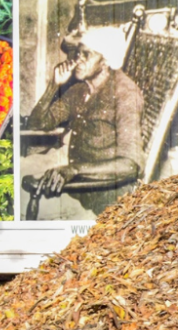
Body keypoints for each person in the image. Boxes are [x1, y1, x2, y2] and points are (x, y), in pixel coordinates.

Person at [25, 27, 143, 215]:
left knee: (23, 200)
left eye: (86, 55)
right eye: (78, 53)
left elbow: (130, 165)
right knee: (17, 173)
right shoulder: (80, 90)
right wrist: (53, 86)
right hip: (72, 175)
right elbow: (37, 124)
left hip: (100, 198)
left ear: (105, 60)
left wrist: (75, 170)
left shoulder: (125, 94)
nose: (77, 60)